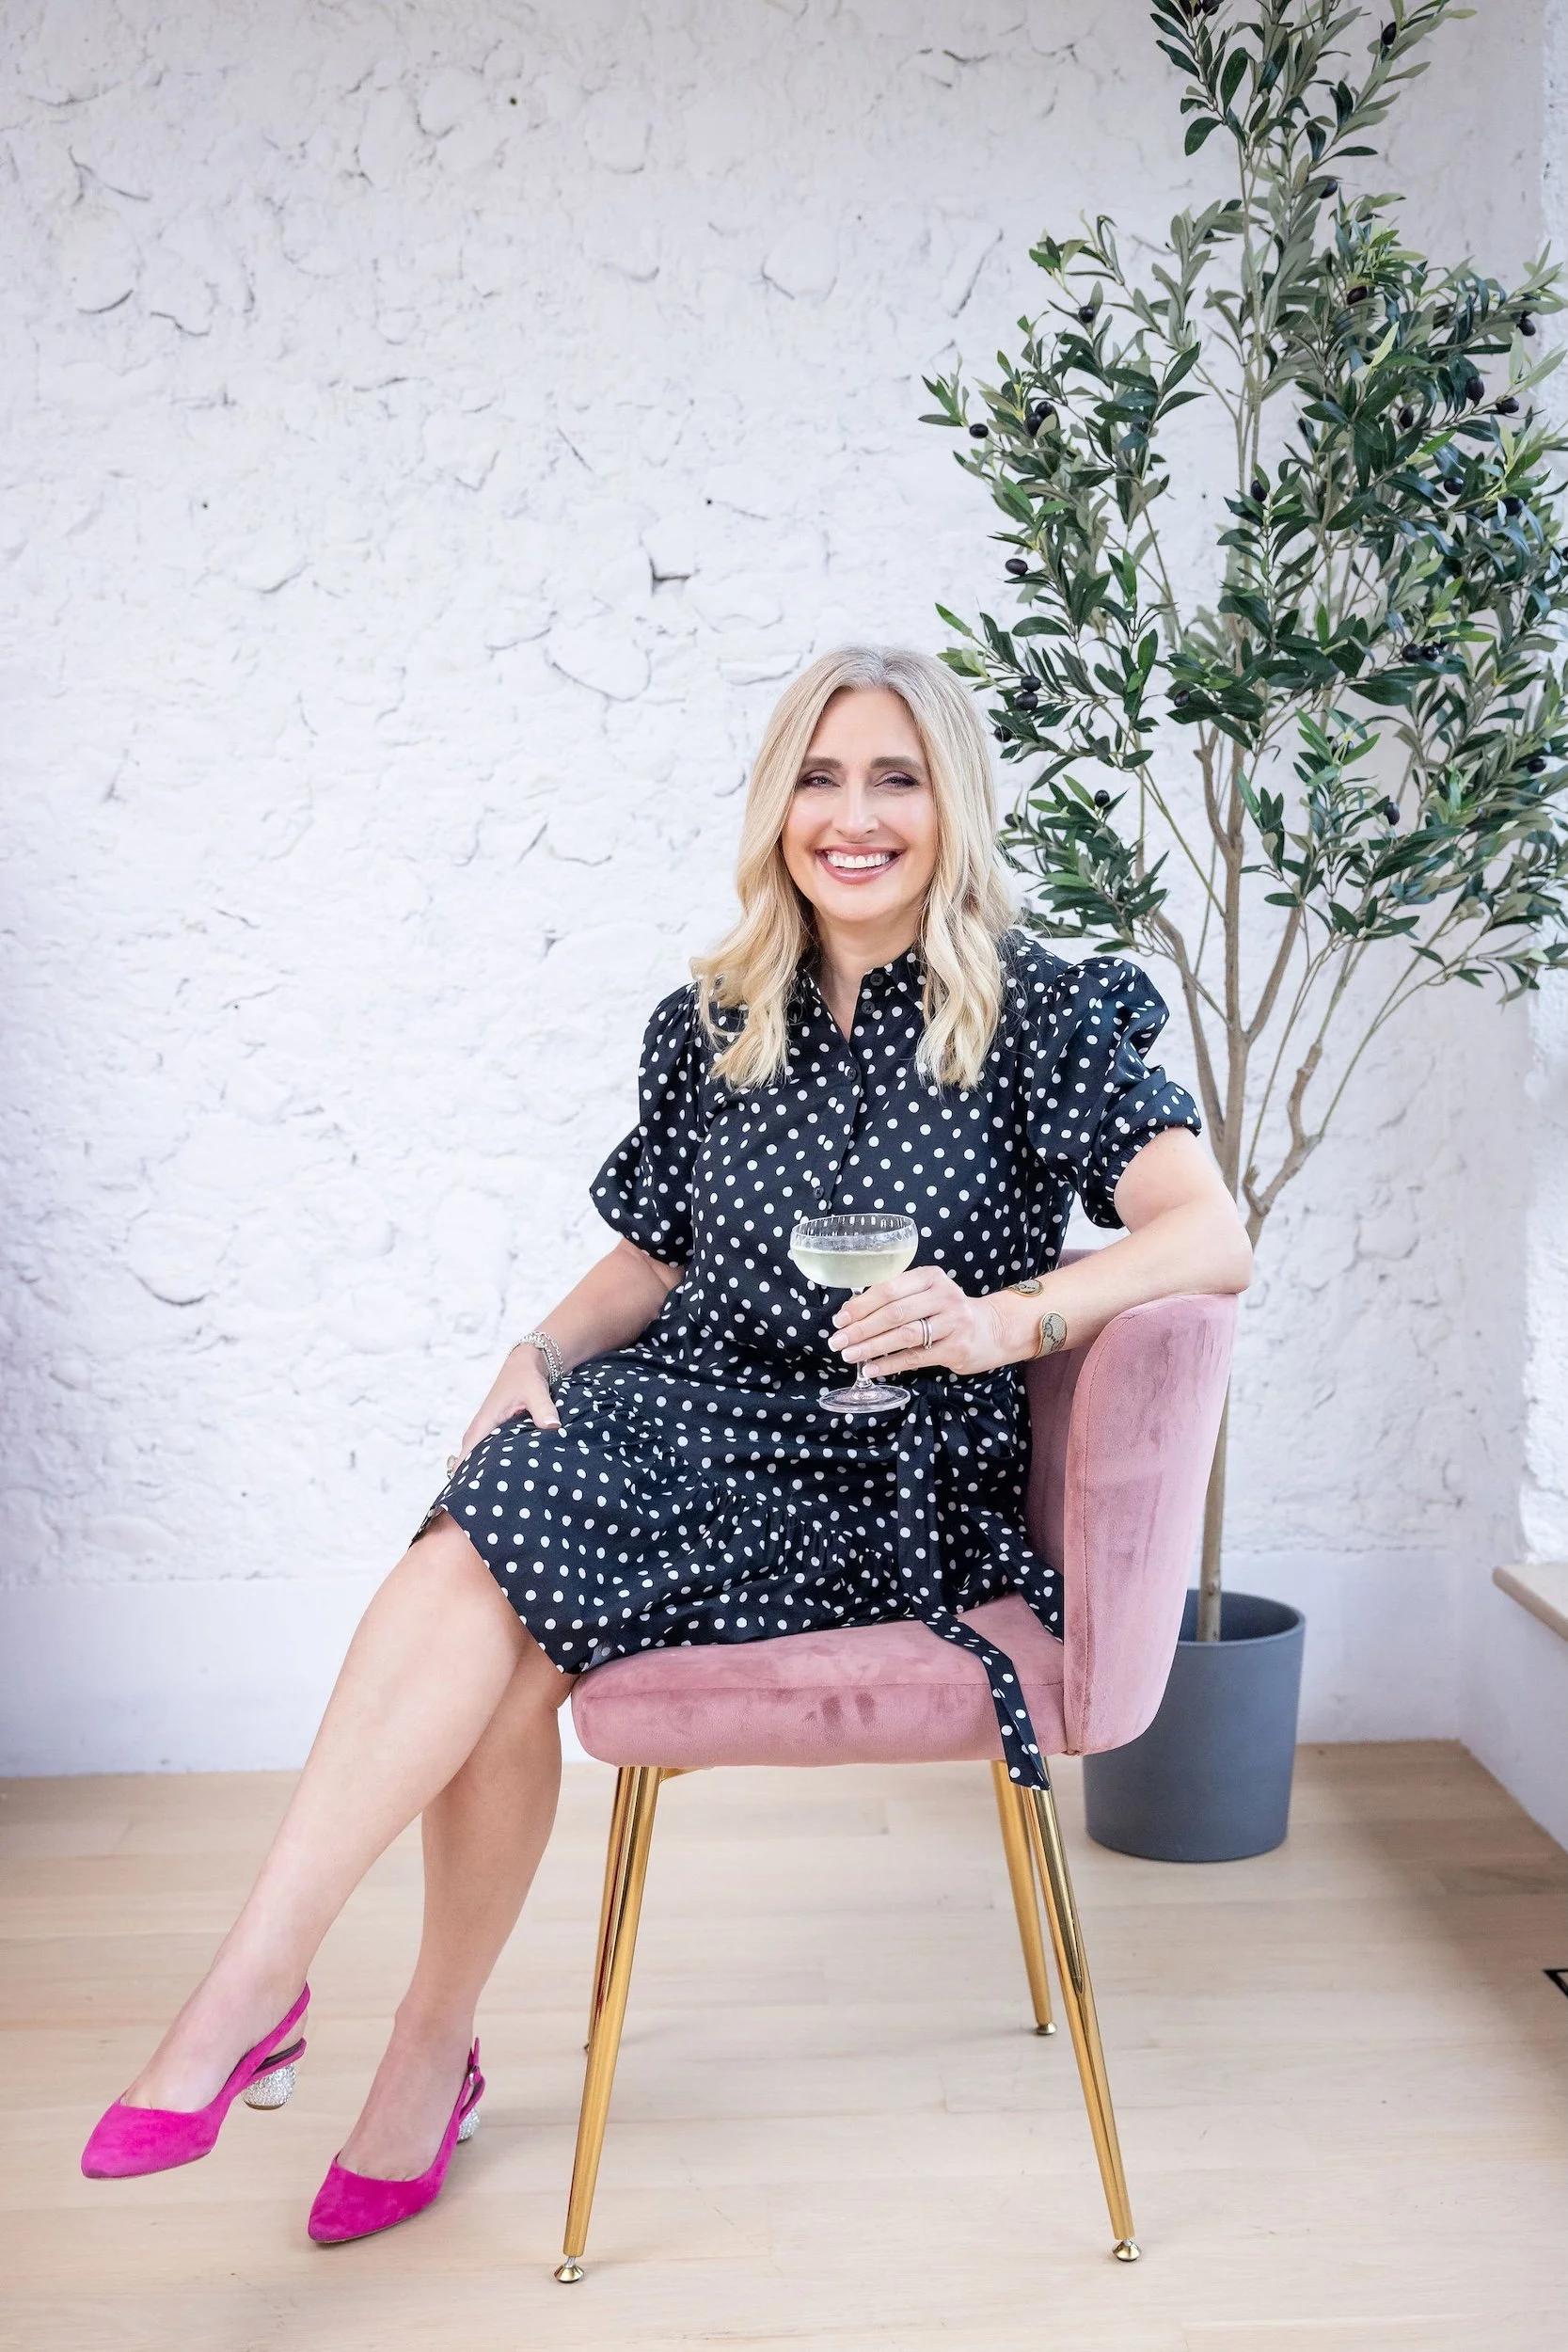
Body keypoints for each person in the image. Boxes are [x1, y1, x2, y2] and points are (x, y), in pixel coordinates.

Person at [80, 645, 1251, 2240]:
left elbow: (1205, 1233)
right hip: (691, 1415)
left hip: (877, 1467)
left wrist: (1001, 1320)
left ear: (950, 803)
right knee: (500, 1522)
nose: (853, 816)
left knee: (510, 1589)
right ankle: (278, 1991)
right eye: (819, 778)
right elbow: (657, 1255)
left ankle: (368, 2036)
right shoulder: (716, 1018)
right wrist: (539, 1347)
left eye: (894, 777)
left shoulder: (1042, 1010)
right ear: (776, 807)